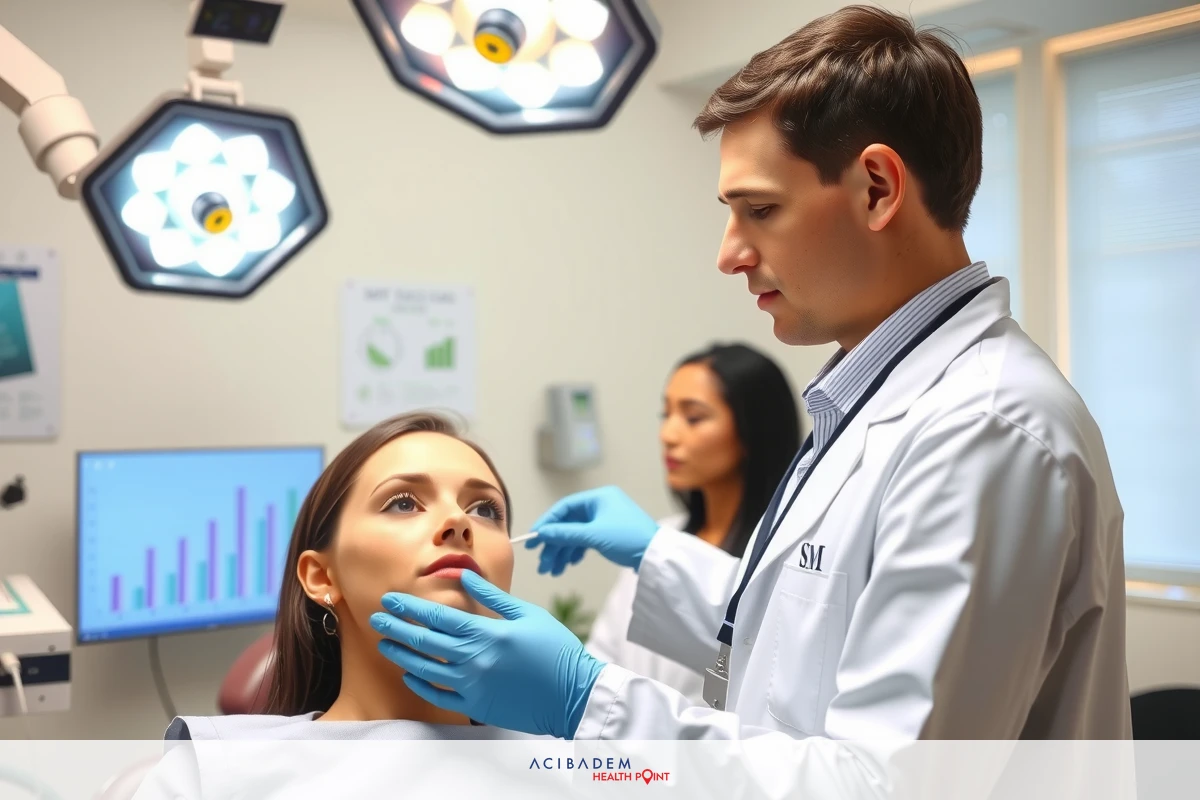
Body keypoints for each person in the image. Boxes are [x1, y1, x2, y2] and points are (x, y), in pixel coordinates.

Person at [368, 3, 1130, 786]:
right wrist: (658, 555)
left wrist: (584, 700)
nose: (729, 255)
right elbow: (803, 638)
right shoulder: (874, 397)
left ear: (876, 188)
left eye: (759, 210)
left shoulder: (985, 430)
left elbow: (882, 782)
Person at [132, 414, 543, 798]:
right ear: (322, 577)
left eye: (485, 509)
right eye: (403, 502)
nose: (459, 521)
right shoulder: (211, 779)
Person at [585, 343, 800, 705]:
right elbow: (602, 661)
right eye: (665, 414)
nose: (668, 435)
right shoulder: (657, 539)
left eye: (693, 417)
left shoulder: (784, 553)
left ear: (753, 429)